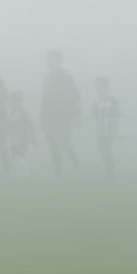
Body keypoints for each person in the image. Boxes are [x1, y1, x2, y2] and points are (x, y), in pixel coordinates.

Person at [39, 50, 82, 178]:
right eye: (48, 59)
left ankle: (74, 160)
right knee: (53, 144)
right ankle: (58, 173)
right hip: (51, 117)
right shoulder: (47, 79)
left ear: (58, 61)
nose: (49, 62)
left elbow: (75, 96)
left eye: (51, 59)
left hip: (64, 116)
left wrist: (76, 115)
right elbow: (44, 99)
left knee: (63, 142)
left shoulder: (67, 77)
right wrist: (43, 117)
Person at [92, 77, 121, 178]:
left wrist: (109, 116)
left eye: (102, 86)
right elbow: (94, 112)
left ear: (107, 87)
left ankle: (110, 171)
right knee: (101, 149)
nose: (100, 88)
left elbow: (117, 113)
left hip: (110, 127)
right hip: (100, 128)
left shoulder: (112, 99)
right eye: (98, 86)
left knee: (106, 147)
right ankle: (110, 169)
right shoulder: (96, 100)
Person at [7, 91, 36, 171]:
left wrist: (32, 136)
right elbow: (9, 125)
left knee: (20, 155)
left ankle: (26, 172)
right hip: (14, 138)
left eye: (14, 101)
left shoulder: (22, 112)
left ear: (18, 101)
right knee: (15, 155)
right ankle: (16, 171)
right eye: (11, 101)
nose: (11, 102)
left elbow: (30, 124)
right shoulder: (11, 112)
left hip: (21, 137)